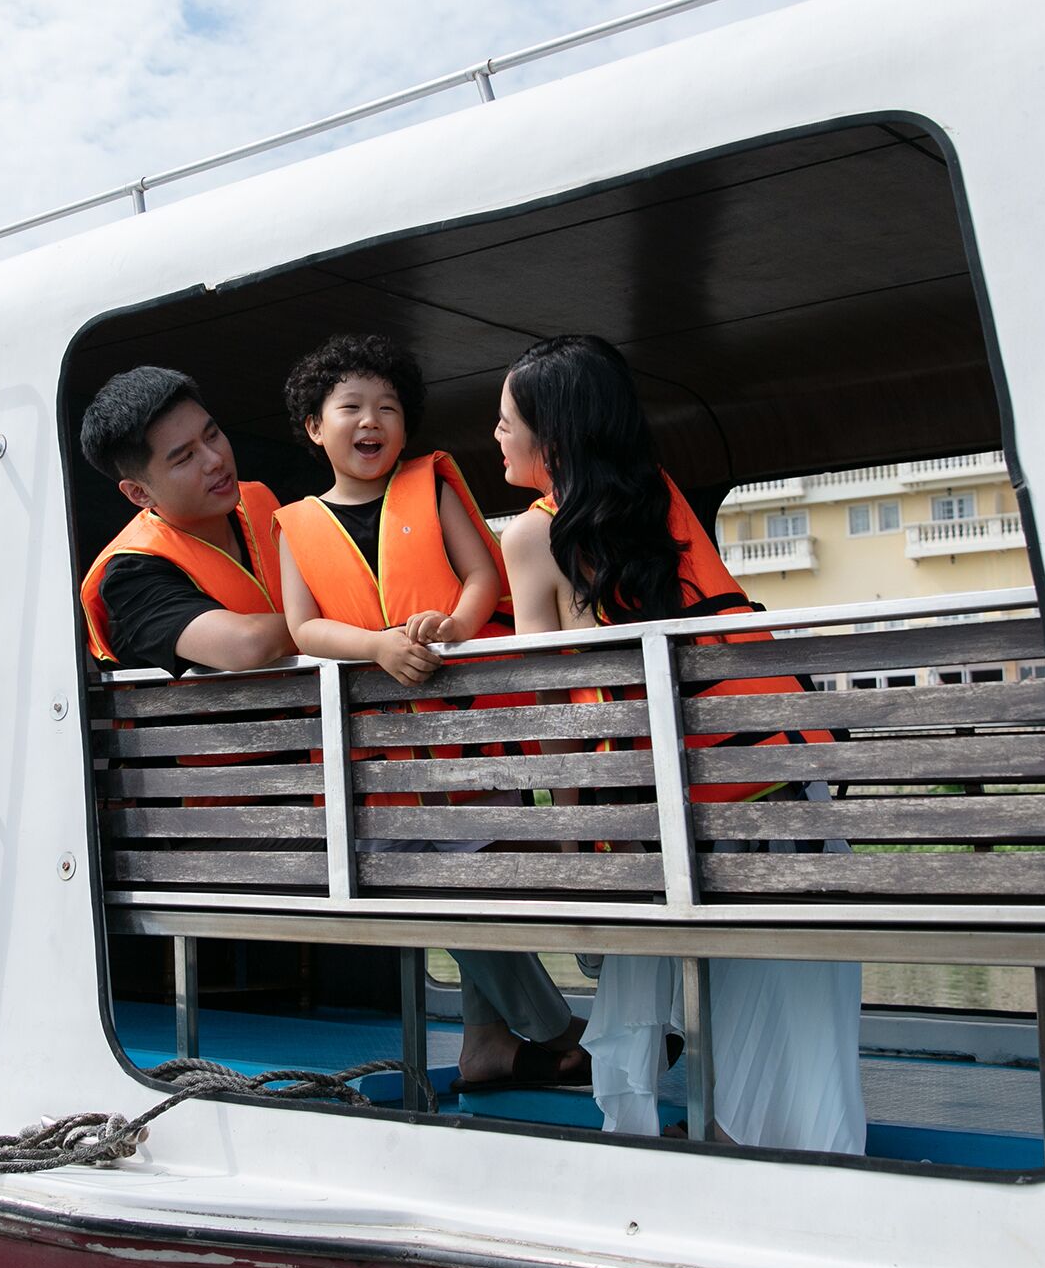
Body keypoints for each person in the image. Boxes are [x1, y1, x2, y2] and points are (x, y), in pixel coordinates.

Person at [494, 333, 865, 1154]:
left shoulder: (530, 535)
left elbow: (546, 692)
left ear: (550, 440)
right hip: (778, 781)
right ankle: (776, 1144)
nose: (496, 435)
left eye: (506, 421)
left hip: (666, 815)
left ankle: (687, 1131)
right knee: (780, 1017)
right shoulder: (659, 494)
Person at [273, 333, 587, 1091]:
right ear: (316, 426)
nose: (370, 419)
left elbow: (482, 575)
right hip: (381, 764)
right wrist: (378, 646)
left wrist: (455, 626)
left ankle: (498, 1039)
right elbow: (303, 627)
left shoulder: (433, 486)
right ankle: (554, 1030)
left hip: (467, 743)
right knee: (445, 884)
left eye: (387, 407)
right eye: (350, 407)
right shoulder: (295, 525)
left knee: (473, 876)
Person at [77, 366, 291, 674]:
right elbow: (246, 644)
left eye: (212, 435)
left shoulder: (260, 499)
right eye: (185, 458)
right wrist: (325, 628)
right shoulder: (130, 576)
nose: (215, 460)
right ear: (138, 493)